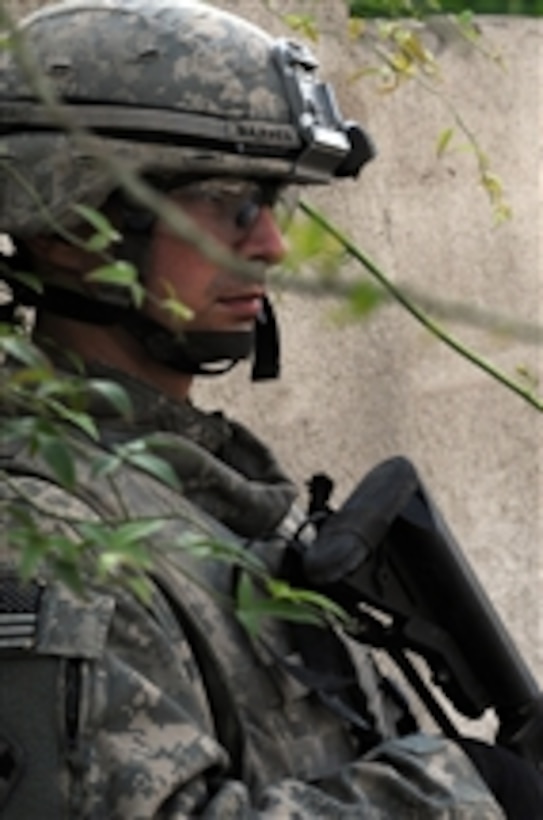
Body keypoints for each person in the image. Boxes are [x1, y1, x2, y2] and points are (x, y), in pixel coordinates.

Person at [0, 1, 541, 817]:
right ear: (70, 227)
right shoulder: (39, 533)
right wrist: (462, 792)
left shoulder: (202, 487)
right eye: (229, 202)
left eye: (272, 202)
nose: (272, 246)